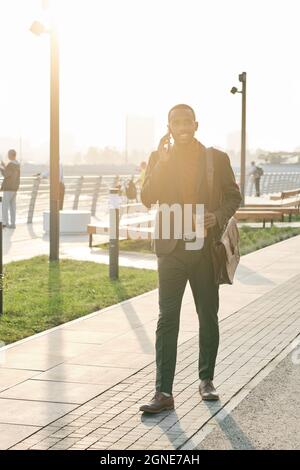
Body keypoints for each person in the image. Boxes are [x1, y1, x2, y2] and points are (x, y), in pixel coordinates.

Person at [139, 104, 242, 413]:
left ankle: (206, 380)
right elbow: (146, 198)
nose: (182, 126)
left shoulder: (216, 158)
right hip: (170, 250)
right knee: (166, 319)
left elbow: (235, 196)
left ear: (196, 124)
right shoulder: (160, 158)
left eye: (187, 121)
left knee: (207, 315)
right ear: (169, 126)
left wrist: (219, 215)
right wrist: (161, 164)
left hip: (204, 249)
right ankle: (163, 392)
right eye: (176, 122)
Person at [0, 149, 20, 229]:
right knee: (12, 207)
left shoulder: (10, 165)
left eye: (8, 154)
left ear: (11, 155)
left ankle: (5, 223)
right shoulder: (17, 164)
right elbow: (11, 173)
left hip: (8, 188)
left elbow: (6, 174)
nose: (8, 156)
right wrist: (4, 166)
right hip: (14, 188)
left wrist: (1, 168)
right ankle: (13, 224)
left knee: (5, 206)